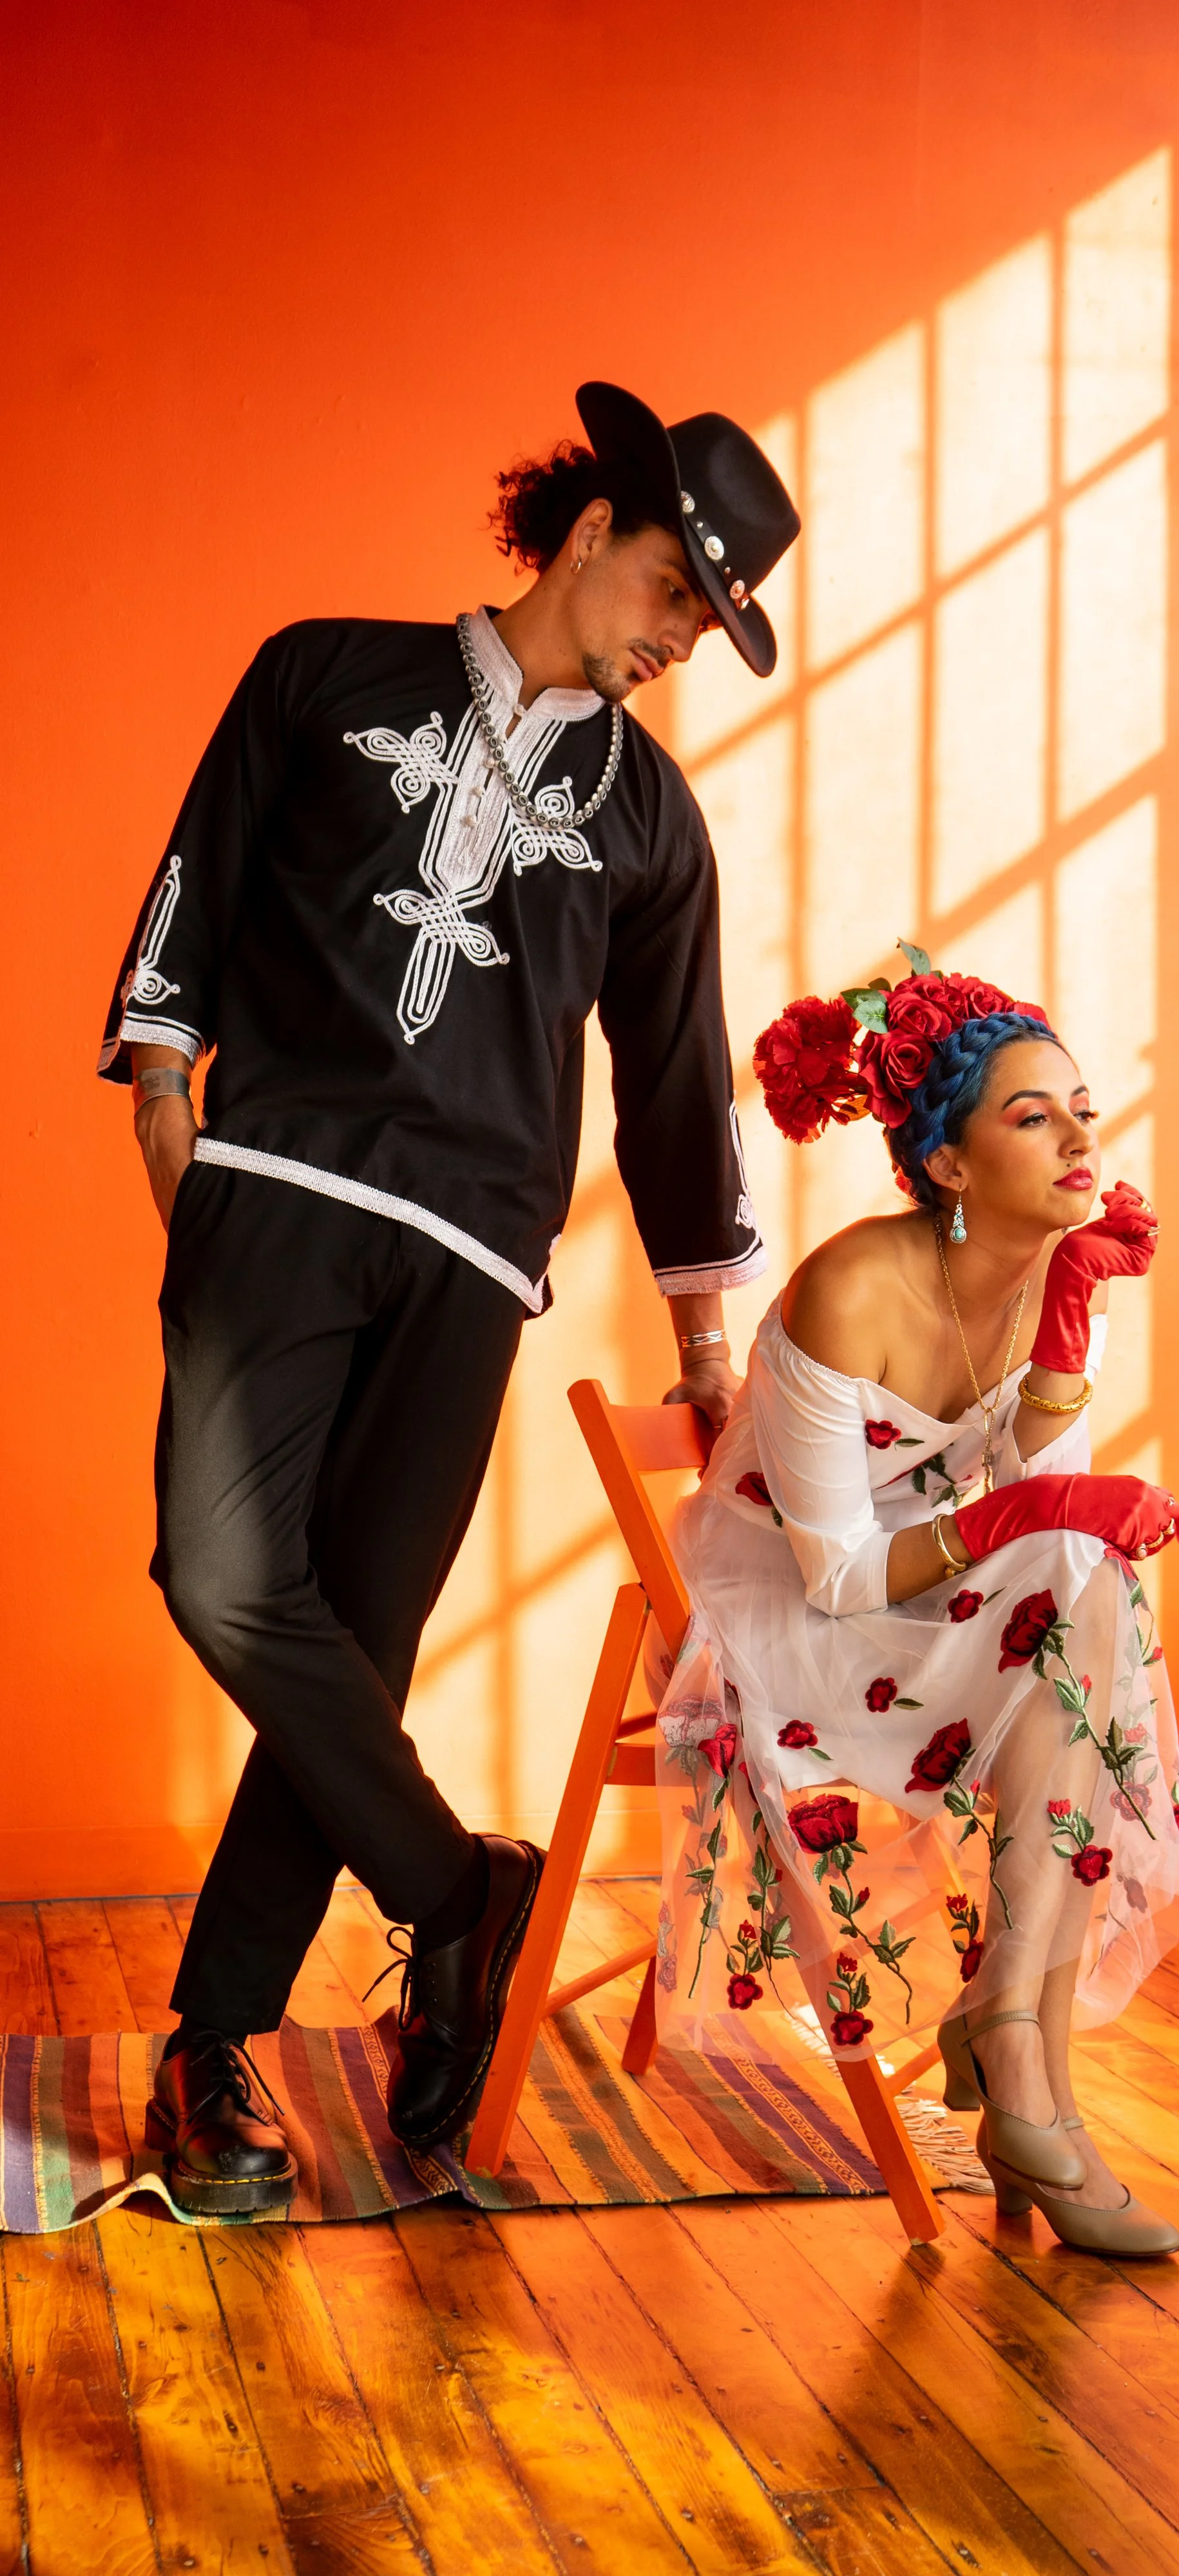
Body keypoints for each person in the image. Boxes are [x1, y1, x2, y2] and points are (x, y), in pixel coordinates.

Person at [98, 381, 800, 2215]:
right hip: (283, 1197)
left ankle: (217, 2048)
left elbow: (673, 1084)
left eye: (702, 632)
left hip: (477, 1257)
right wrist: (180, 1144)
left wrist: (707, 1341)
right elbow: (187, 907)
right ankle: (463, 1896)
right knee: (227, 1581)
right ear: (588, 532)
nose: (672, 646)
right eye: (669, 594)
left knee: (357, 1644)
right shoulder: (324, 678)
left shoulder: (651, 820)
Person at [650, 946, 1179, 2257]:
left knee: (1086, 1592)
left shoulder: (1062, 1269)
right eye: (1034, 1114)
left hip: (948, 1605)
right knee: (1077, 1590)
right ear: (950, 1165)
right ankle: (1024, 2074)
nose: (1080, 1135)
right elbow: (835, 1570)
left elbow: (1043, 1502)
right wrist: (1050, 1511)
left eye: (1082, 1105)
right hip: (799, 1617)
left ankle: (1009, 2028)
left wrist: (1068, 1329)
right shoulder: (854, 1288)